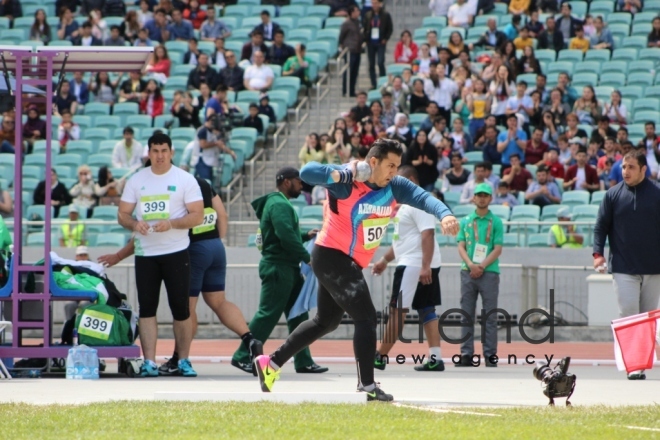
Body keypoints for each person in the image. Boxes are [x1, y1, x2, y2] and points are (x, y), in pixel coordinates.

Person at [253, 139, 459, 401]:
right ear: (373, 162)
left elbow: (422, 197)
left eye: (397, 166)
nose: (394, 172)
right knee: (367, 317)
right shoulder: (347, 181)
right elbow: (306, 173)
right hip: (330, 256)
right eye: (390, 166)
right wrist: (344, 172)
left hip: (347, 263)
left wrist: (445, 214)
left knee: (325, 322)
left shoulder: (394, 186)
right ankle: (368, 385)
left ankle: (270, 364)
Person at [102, 175, 264, 376]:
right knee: (218, 300)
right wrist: (215, 239)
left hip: (192, 249)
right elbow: (222, 215)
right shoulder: (203, 183)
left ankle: (178, 358)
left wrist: (118, 256)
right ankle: (250, 339)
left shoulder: (176, 187)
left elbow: (153, 236)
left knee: (186, 308)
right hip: (215, 247)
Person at [117, 132, 204, 377]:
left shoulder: (185, 179)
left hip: (176, 252)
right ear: (149, 153)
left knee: (181, 309)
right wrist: (135, 225)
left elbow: (197, 215)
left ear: (171, 152)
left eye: (164, 151)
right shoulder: (137, 180)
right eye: (155, 151)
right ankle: (150, 362)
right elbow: (122, 214)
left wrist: (173, 223)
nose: (159, 156)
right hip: (146, 254)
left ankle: (184, 360)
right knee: (147, 309)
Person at [231, 167, 327, 375]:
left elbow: (286, 233)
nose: (302, 186)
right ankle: (242, 356)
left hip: (287, 268)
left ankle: (303, 360)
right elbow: (284, 236)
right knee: (267, 314)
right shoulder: (278, 204)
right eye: (299, 182)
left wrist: (304, 235)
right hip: (279, 268)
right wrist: (307, 258)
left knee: (298, 315)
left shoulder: (279, 203)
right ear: (286, 182)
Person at [593, 150, 660, 380]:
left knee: (647, 316)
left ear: (644, 169)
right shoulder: (612, 195)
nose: (626, 171)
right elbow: (600, 227)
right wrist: (597, 254)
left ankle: (641, 362)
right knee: (629, 313)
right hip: (623, 267)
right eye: (624, 167)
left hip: (654, 267)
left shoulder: (657, 194)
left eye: (631, 167)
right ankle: (634, 365)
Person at [371, 165, 445, 372]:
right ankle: (436, 358)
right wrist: (384, 260)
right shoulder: (408, 205)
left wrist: (424, 266)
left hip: (414, 266)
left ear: (411, 180)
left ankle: (380, 356)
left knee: (397, 311)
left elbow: (427, 234)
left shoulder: (419, 202)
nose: (394, 186)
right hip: (418, 263)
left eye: (398, 181)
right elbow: (403, 241)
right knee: (426, 309)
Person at [455, 183, 504, 368]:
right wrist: (470, 264)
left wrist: (481, 266)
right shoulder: (466, 220)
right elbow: (460, 245)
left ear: (490, 198)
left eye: (485, 195)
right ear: (473, 198)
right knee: (466, 314)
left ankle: (490, 355)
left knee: (489, 315)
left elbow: (497, 248)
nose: (482, 198)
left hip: (489, 271)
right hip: (468, 271)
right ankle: (466, 354)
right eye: (479, 195)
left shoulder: (496, 222)